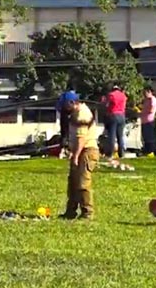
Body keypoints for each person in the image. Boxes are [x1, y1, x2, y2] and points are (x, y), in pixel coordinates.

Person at [60, 92, 100, 220]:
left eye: (65, 105)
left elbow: (81, 138)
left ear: (72, 103)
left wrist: (76, 155)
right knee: (73, 182)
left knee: (83, 182)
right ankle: (70, 212)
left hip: (87, 151)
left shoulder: (82, 113)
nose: (64, 108)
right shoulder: (75, 113)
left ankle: (87, 212)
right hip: (79, 150)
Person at [101, 84, 127, 159]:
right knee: (120, 136)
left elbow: (106, 105)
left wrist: (103, 102)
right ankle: (121, 153)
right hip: (122, 115)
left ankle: (110, 154)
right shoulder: (123, 95)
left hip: (113, 115)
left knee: (112, 136)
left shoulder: (111, 95)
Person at [140, 87, 156, 157]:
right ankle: (146, 150)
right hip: (144, 120)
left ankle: (151, 151)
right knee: (145, 137)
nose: (144, 94)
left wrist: (143, 112)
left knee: (149, 136)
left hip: (149, 120)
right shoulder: (146, 100)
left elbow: (151, 110)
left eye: (145, 93)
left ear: (149, 92)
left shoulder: (152, 100)